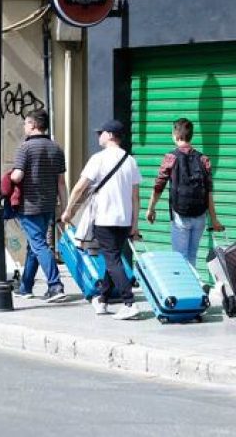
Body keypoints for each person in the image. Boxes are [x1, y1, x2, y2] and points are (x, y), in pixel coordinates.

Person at [61, 119, 142, 320]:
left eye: (101, 133)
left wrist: (68, 210)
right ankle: (103, 299)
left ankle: (129, 302)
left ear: (110, 135)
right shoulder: (130, 160)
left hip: (104, 218)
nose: (98, 136)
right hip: (123, 220)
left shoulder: (99, 159)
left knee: (113, 260)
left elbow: (80, 187)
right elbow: (135, 196)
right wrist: (134, 224)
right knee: (111, 259)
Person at [145, 117, 224, 269]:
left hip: (180, 215)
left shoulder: (171, 157)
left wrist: (150, 208)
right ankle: (193, 289)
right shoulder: (204, 159)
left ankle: (184, 291)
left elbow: (158, 186)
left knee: (179, 258)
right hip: (200, 216)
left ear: (176, 135)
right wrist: (214, 219)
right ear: (191, 135)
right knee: (192, 256)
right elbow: (209, 192)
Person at [9, 109, 68, 301]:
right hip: (49, 205)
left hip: (29, 205)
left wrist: (9, 176)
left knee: (39, 245)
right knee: (33, 246)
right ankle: (26, 287)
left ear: (33, 125)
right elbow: (61, 182)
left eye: (26, 123)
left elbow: (17, 176)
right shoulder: (56, 148)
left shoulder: (24, 148)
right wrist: (64, 208)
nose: (24, 127)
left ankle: (55, 285)